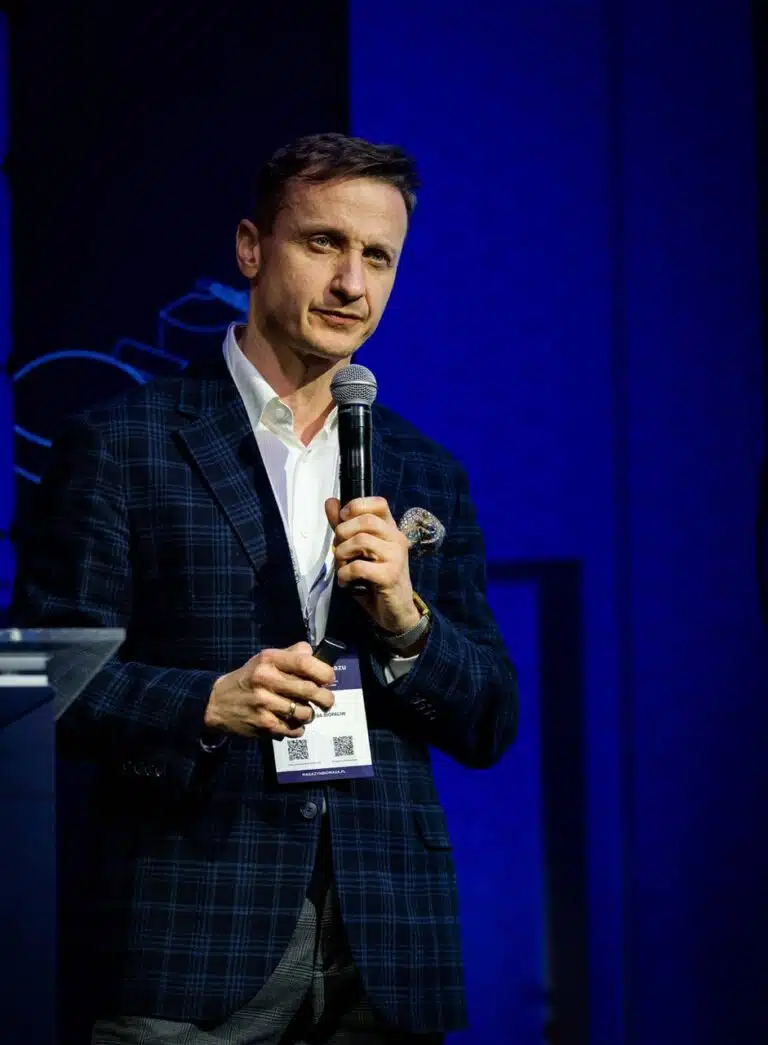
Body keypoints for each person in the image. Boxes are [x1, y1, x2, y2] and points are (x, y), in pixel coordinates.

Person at [12, 133, 519, 1045]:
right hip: (191, 933)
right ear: (251, 248)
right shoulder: (122, 444)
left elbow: (491, 721)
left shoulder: (426, 471)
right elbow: (38, 679)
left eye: (378, 257)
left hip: (387, 943)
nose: (351, 284)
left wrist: (409, 624)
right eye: (324, 243)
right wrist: (207, 702)